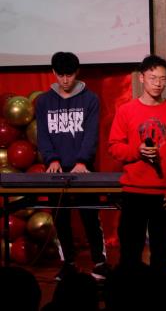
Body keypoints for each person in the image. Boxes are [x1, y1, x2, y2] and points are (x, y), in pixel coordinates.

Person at [108, 55, 166, 271]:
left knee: (160, 253)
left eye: (163, 79)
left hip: (164, 195)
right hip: (133, 192)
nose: (158, 83)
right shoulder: (126, 110)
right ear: (142, 78)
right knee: (130, 252)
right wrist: (137, 151)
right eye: (153, 78)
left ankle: (157, 291)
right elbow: (114, 147)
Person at [35, 51, 109, 281]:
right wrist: (51, 159)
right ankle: (68, 263)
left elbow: (91, 134)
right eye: (61, 75)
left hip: (83, 169)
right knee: (61, 218)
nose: (65, 80)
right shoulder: (44, 101)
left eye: (69, 75)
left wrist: (82, 161)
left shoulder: (90, 99)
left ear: (77, 73)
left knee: (90, 216)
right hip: (56, 170)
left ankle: (100, 262)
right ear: (54, 73)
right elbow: (43, 135)